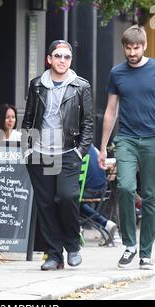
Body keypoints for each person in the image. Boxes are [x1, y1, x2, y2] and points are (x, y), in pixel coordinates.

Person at [98, 26, 155, 270]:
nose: (131, 52)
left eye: (136, 48)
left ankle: (145, 253)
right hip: (126, 139)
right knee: (126, 188)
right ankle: (130, 245)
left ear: (144, 46)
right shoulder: (117, 73)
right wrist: (102, 148)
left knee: (151, 196)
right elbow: (110, 111)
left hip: (153, 138)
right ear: (124, 47)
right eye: (128, 48)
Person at [22, 40, 93, 271]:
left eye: (66, 57)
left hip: (68, 153)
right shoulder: (36, 85)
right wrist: (27, 149)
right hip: (40, 154)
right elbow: (29, 118)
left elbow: (89, 123)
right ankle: (54, 254)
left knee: (66, 197)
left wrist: (80, 152)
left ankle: (73, 245)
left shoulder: (81, 86)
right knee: (46, 205)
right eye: (58, 56)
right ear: (49, 59)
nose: (62, 60)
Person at [80, 144, 117, 241]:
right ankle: (105, 223)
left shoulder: (78, 150)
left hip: (89, 191)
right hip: (103, 189)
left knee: (69, 198)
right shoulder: (94, 148)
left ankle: (77, 229)